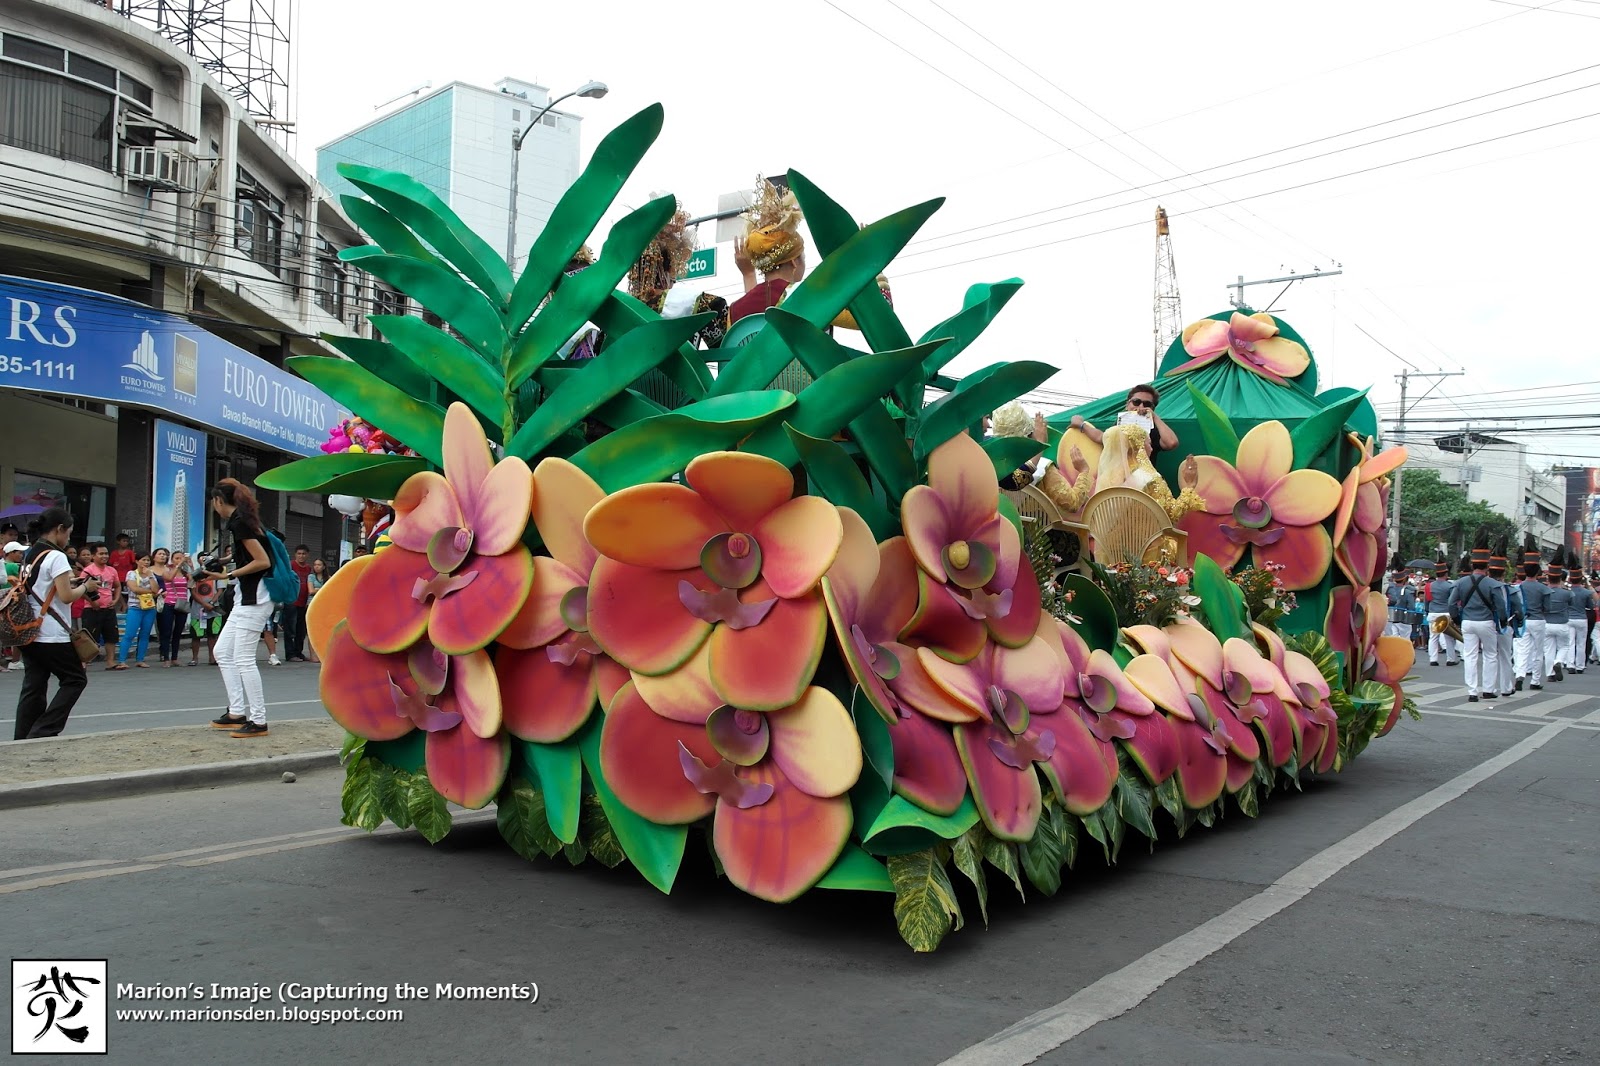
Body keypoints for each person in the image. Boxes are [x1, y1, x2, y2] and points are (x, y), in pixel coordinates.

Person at [12, 507, 101, 739]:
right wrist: (86, 587)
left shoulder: (31, 553)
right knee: (75, 679)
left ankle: (22, 736)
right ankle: (44, 730)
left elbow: (42, 587)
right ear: (60, 529)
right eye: (69, 532)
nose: (69, 538)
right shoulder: (57, 555)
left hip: (28, 628)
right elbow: (66, 596)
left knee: (34, 685)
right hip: (50, 632)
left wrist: (72, 581)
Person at [201, 479, 275, 737]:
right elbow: (249, 553)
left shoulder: (241, 523)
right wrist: (222, 560)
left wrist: (226, 576)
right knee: (222, 651)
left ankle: (258, 721)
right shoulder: (243, 520)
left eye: (213, 501)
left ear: (219, 501)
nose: (213, 506)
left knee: (244, 658)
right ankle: (236, 712)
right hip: (247, 595)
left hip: (257, 595)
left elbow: (262, 561)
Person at [728, 177, 806, 327]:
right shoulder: (803, 296)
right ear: (794, 262)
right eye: (803, 256)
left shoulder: (733, 311)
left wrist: (748, 275)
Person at [1453, 536, 1507, 702]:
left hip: (1468, 622)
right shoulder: (1493, 584)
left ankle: (1472, 691)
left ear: (1472, 565)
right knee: (1490, 654)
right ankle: (1488, 690)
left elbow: (1451, 603)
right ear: (1487, 565)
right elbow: (1501, 607)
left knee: (1470, 656)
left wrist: (1457, 620)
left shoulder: (1460, 582)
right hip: (1486, 622)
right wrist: (1503, 622)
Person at [1069, 383, 1180, 459]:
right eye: (1136, 402)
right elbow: (1101, 437)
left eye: (1147, 404)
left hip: (1143, 484)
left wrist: (1154, 416)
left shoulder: (1153, 430)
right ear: (1128, 404)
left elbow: (1172, 443)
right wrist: (1081, 424)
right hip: (1117, 481)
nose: (1140, 406)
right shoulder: (1119, 424)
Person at [112, 554, 159, 669]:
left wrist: (150, 577)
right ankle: (122, 660)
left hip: (149, 608)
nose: (146, 562)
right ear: (137, 561)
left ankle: (140, 659)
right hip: (135, 608)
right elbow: (134, 589)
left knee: (145, 634)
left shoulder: (151, 574)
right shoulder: (131, 574)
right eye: (144, 560)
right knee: (129, 634)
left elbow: (156, 590)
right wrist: (149, 591)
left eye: (148, 560)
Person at [79, 543, 121, 670]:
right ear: (93, 556)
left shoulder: (112, 570)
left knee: (111, 636)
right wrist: (92, 601)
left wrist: (115, 600)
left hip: (108, 608)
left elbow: (118, 586)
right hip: (91, 609)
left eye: (106, 553)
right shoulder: (88, 571)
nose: (104, 556)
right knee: (88, 637)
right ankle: (83, 663)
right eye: (101, 553)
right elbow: (80, 589)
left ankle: (110, 661)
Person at [1486, 539, 1518, 699]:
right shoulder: (1509, 589)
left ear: (1488, 572)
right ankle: (1506, 687)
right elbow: (1519, 609)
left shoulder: (1484, 586)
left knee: (1488, 656)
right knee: (1505, 656)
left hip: (1486, 624)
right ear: (1504, 573)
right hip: (1504, 626)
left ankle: (1488, 687)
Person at [1515, 537, 1546, 691]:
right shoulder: (1543, 588)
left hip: (1523, 621)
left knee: (1522, 649)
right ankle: (1535, 680)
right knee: (1538, 652)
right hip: (1538, 620)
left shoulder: (1517, 588)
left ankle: (1519, 674)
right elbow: (1547, 607)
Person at [158, 550, 192, 667]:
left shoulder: (184, 573)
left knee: (178, 632)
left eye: (181, 558)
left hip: (181, 604)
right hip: (169, 603)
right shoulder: (166, 570)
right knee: (166, 631)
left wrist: (190, 565)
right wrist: (178, 565)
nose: (179, 560)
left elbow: (192, 583)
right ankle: (166, 658)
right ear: (172, 560)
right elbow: (169, 578)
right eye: (176, 558)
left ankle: (175, 658)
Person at [1542, 556, 1572, 682]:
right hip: (1562, 624)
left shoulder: (1544, 591)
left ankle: (1550, 674)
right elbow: (1571, 603)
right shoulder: (1567, 593)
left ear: (1548, 578)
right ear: (1560, 578)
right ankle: (1558, 661)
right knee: (1564, 647)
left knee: (1548, 650)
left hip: (1547, 624)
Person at [1424, 555, 1459, 667]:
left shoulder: (1429, 586)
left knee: (1433, 637)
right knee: (1449, 638)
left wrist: (1427, 611)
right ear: (1446, 574)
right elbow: (1452, 602)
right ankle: (1450, 659)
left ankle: (1433, 659)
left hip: (1433, 613)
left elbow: (1427, 601)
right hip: (1445, 613)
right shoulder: (1449, 586)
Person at [282, 543, 314, 662]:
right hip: (291, 601)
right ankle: (290, 654)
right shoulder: (290, 566)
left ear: (307, 555)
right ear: (295, 555)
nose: (301, 556)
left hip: (304, 602)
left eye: (304, 554)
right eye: (299, 554)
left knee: (301, 630)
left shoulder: (309, 569)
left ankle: (298, 652)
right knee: (290, 629)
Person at [1565, 557, 1591, 675]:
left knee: (1570, 642)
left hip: (1569, 618)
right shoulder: (1586, 592)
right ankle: (1580, 666)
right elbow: (1590, 606)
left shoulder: (1567, 592)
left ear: (1570, 579)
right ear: (1581, 579)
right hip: (1581, 618)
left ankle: (1570, 664)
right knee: (1581, 643)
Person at [305, 556, 329, 663]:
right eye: (315, 565)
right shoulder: (311, 577)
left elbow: (332, 590)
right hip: (312, 604)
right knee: (312, 630)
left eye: (319, 565)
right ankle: (312, 654)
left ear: (323, 567)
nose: (317, 567)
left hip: (324, 605)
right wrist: (322, 589)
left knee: (323, 630)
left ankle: (322, 653)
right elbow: (310, 591)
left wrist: (318, 590)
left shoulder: (328, 577)